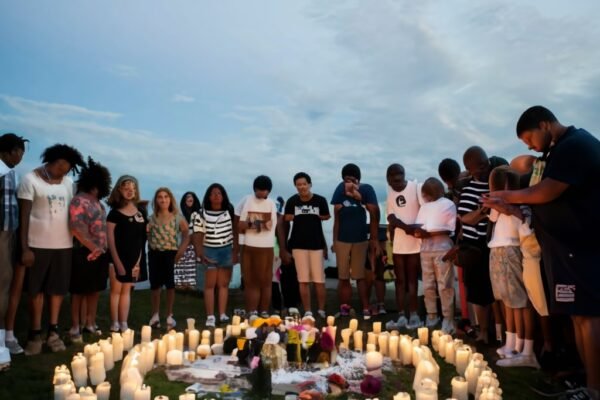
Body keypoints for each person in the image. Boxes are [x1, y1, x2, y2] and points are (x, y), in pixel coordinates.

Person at [483, 106, 600, 397]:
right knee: (578, 317)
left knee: (589, 317)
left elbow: (546, 192)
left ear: (545, 124)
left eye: (529, 138)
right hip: (563, 249)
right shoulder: (557, 150)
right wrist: (510, 208)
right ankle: (589, 385)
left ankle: (595, 388)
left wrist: (507, 194)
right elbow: (542, 205)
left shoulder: (575, 145)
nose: (529, 146)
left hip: (580, 247)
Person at [18, 144, 84, 355]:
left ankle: (53, 332)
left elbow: (76, 211)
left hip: (63, 245)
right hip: (37, 245)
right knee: (35, 290)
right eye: (63, 164)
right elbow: (24, 216)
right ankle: (34, 334)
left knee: (57, 290)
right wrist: (25, 248)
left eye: (69, 166)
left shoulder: (68, 183)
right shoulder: (31, 180)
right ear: (52, 159)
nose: (65, 169)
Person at [486, 166, 539, 369]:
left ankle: (525, 348)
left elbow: (526, 227)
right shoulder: (498, 210)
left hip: (513, 251)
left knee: (521, 302)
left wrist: (511, 208)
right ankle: (511, 343)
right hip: (498, 251)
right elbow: (492, 216)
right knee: (507, 300)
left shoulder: (522, 207)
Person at [458, 146, 507, 343]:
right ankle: (484, 333)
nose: (485, 167)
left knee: (498, 291)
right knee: (479, 293)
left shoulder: (496, 184)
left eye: (485, 162)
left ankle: (501, 333)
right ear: (470, 170)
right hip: (474, 247)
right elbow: (465, 219)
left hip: (495, 244)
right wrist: (483, 211)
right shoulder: (467, 190)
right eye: (479, 166)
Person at [67, 158, 112, 342]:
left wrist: (103, 249)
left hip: (100, 254)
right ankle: (75, 327)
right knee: (78, 291)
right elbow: (76, 227)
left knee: (94, 290)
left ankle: (90, 323)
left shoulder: (100, 204)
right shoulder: (79, 200)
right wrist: (93, 248)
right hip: (82, 252)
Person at [331, 163, 380, 320]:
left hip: (360, 240)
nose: (350, 183)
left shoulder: (367, 189)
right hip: (342, 240)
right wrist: (334, 240)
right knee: (343, 276)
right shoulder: (340, 189)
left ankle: (365, 307)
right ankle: (344, 308)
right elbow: (336, 219)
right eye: (347, 179)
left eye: (353, 179)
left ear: (359, 180)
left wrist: (362, 200)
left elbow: (375, 215)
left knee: (360, 276)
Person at [283, 172, 330, 319]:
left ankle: (321, 310)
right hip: (298, 244)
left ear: (310, 184)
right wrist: (292, 216)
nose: (302, 187)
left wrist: (319, 216)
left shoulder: (320, 200)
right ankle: (308, 310)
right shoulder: (292, 201)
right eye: (299, 185)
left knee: (319, 280)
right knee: (302, 279)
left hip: (316, 244)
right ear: (295, 186)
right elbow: (286, 217)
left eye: (304, 184)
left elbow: (327, 215)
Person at [413, 177, 457, 333]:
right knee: (428, 284)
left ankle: (448, 318)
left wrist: (428, 233)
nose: (426, 198)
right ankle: (432, 315)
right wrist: (418, 232)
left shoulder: (448, 204)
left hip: (442, 247)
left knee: (445, 284)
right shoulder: (424, 207)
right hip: (425, 249)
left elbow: (449, 229)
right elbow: (418, 227)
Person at [191, 183, 237, 327]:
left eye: (219, 193)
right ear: (208, 196)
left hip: (226, 250)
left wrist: (236, 251)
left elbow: (235, 231)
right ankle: (210, 316)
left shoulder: (229, 210)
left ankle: (222, 314)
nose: (216, 196)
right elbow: (197, 234)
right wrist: (200, 253)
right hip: (209, 250)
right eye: (213, 193)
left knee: (223, 284)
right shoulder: (200, 213)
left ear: (223, 196)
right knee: (209, 285)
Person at [0, 133, 27, 366]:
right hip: (1, 232)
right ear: (10, 151)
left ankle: (3, 338)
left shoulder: (10, 172)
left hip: (9, 233)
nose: (20, 157)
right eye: (19, 152)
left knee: (5, 285)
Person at [107, 175, 147, 333]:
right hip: (117, 258)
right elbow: (110, 240)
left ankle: (124, 322)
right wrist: (117, 262)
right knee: (116, 291)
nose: (130, 191)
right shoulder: (114, 214)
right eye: (126, 188)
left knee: (126, 291)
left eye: (133, 188)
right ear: (119, 190)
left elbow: (143, 236)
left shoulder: (141, 213)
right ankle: (114, 322)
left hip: (134, 259)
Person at [386, 163, 423, 328]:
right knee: (400, 281)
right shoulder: (390, 193)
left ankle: (414, 314)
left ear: (403, 175)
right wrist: (406, 228)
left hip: (415, 243)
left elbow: (425, 208)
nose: (396, 183)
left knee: (412, 280)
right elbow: (391, 218)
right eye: (393, 181)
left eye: (399, 179)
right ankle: (401, 314)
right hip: (399, 245)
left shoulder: (416, 188)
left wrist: (416, 229)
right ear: (388, 180)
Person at [147, 187, 189, 330]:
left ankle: (170, 315)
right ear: (156, 200)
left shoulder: (177, 217)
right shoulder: (151, 218)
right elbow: (147, 236)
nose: (163, 199)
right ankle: (155, 315)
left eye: (166, 196)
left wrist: (181, 251)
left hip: (171, 254)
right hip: (154, 254)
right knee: (155, 286)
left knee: (170, 286)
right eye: (160, 197)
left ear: (170, 199)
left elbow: (186, 234)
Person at [238, 175, 277, 318]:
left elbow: (269, 225)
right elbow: (240, 224)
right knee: (250, 280)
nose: (261, 193)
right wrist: (256, 224)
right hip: (248, 246)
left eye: (264, 191)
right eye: (258, 190)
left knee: (265, 280)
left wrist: (251, 224)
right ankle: (252, 311)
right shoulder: (247, 200)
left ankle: (264, 311)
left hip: (266, 246)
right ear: (254, 189)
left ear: (269, 191)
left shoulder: (272, 204)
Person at [174, 192, 201, 290]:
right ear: (184, 201)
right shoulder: (180, 215)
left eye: (191, 197)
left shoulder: (199, 214)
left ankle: (190, 286)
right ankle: (179, 285)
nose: (189, 199)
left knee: (191, 266)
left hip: (194, 244)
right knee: (180, 264)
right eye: (187, 197)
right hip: (182, 243)